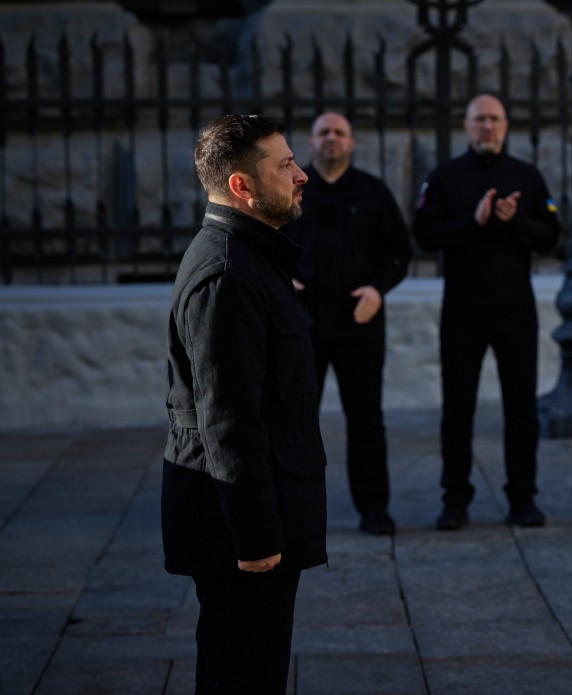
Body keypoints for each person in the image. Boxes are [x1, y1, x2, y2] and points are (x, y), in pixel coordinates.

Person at [162, 114, 327, 694]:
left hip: (266, 516)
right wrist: (256, 540)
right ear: (242, 186)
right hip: (242, 534)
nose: (302, 174)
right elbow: (228, 420)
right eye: (284, 165)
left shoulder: (251, 258)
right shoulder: (227, 273)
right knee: (242, 676)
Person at [412, 93, 561, 531]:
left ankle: (523, 500)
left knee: (521, 411)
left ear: (506, 125)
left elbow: (551, 237)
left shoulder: (526, 176)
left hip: (515, 308)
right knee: (457, 409)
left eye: (494, 120)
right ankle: (454, 500)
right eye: (479, 120)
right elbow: (424, 235)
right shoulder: (445, 177)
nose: (487, 127)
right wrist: (473, 222)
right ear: (466, 125)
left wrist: (514, 220)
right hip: (463, 309)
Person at [283, 112, 412, 536]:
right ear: (311, 142)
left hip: (360, 325)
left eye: (339, 132)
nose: (332, 139)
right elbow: (263, 244)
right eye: (324, 133)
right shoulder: (289, 191)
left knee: (366, 420)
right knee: (297, 421)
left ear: (352, 142)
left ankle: (375, 509)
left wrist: (377, 289)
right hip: (302, 326)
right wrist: (283, 278)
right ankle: (294, 513)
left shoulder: (372, 191)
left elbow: (398, 253)